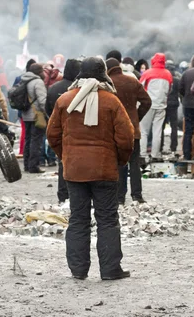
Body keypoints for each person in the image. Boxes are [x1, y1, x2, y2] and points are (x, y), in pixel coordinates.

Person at [47, 56, 134, 281]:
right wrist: (120, 160)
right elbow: (126, 137)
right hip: (105, 170)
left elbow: (52, 135)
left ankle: (78, 270)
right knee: (107, 219)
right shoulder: (111, 101)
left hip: (75, 171)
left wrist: (67, 157)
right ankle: (110, 269)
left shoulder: (65, 100)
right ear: (102, 74)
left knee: (78, 218)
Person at [106, 58, 152, 205]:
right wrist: (137, 116)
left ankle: (120, 198)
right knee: (134, 163)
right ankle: (137, 195)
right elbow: (147, 101)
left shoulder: (107, 85)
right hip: (133, 129)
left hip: (115, 130)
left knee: (119, 163)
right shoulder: (132, 81)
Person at [46, 59, 82, 204]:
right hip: (77, 130)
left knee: (63, 162)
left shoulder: (54, 88)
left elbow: (48, 109)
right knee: (78, 162)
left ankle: (63, 194)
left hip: (60, 130)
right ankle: (77, 194)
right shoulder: (79, 90)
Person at [139, 53, 172, 162]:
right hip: (162, 105)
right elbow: (169, 90)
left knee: (143, 130)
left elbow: (140, 87)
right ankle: (155, 154)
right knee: (157, 131)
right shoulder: (168, 74)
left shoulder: (147, 73)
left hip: (148, 105)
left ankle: (142, 154)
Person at [21, 63, 48, 174]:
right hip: (37, 115)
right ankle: (34, 166)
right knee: (36, 141)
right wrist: (47, 113)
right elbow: (42, 101)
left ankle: (27, 165)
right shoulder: (38, 82)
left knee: (28, 140)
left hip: (26, 115)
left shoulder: (24, 80)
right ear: (39, 72)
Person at [162, 60, 181, 156]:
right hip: (174, 104)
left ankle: (160, 146)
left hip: (165, 104)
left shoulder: (164, 78)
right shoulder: (177, 80)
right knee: (174, 126)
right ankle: (173, 146)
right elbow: (180, 92)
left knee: (161, 126)